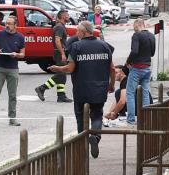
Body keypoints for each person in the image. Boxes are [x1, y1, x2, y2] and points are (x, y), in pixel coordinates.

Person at [49, 20, 116, 159]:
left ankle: (82, 146)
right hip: (100, 88)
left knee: (80, 117)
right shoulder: (104, 45)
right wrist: (111, 85)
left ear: (84, 32)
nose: (76, 33)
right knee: (97, 115)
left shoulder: (76, 46)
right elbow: (113, 69)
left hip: (81, 89)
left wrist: (58, 68)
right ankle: (95, 137)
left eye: (78, 31)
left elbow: (70, 68)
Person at [0, 15, 25, 126]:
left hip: (13, 69)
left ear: (15, 25)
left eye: (9, 24)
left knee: (12, 95)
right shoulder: (0, 34)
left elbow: (23, 54)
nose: (7, 25)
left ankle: (12, 119)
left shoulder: (20, 37)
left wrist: (16, 54)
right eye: (6, 23)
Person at [35, 9, 72, 103]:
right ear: (63, 16)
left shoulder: (61, 26)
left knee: (62, 75)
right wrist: (62, 53)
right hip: (59, 53)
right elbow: (57, 41)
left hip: (59, 52)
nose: (69, 17)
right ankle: (42, 88)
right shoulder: (59, 27)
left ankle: (61, 96)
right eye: (67, 15)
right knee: (61, 74)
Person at [124, 18, 155, 126]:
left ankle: (131, 120)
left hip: (137, 68)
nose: (134, 29)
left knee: (130, 93)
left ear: (138, 25)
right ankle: (145, 119)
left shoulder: (136, 35)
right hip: (147, 68)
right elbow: (152, 53)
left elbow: (134, 51)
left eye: (134, 27)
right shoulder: (151, 36)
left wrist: (128, 61)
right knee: (145, 93)